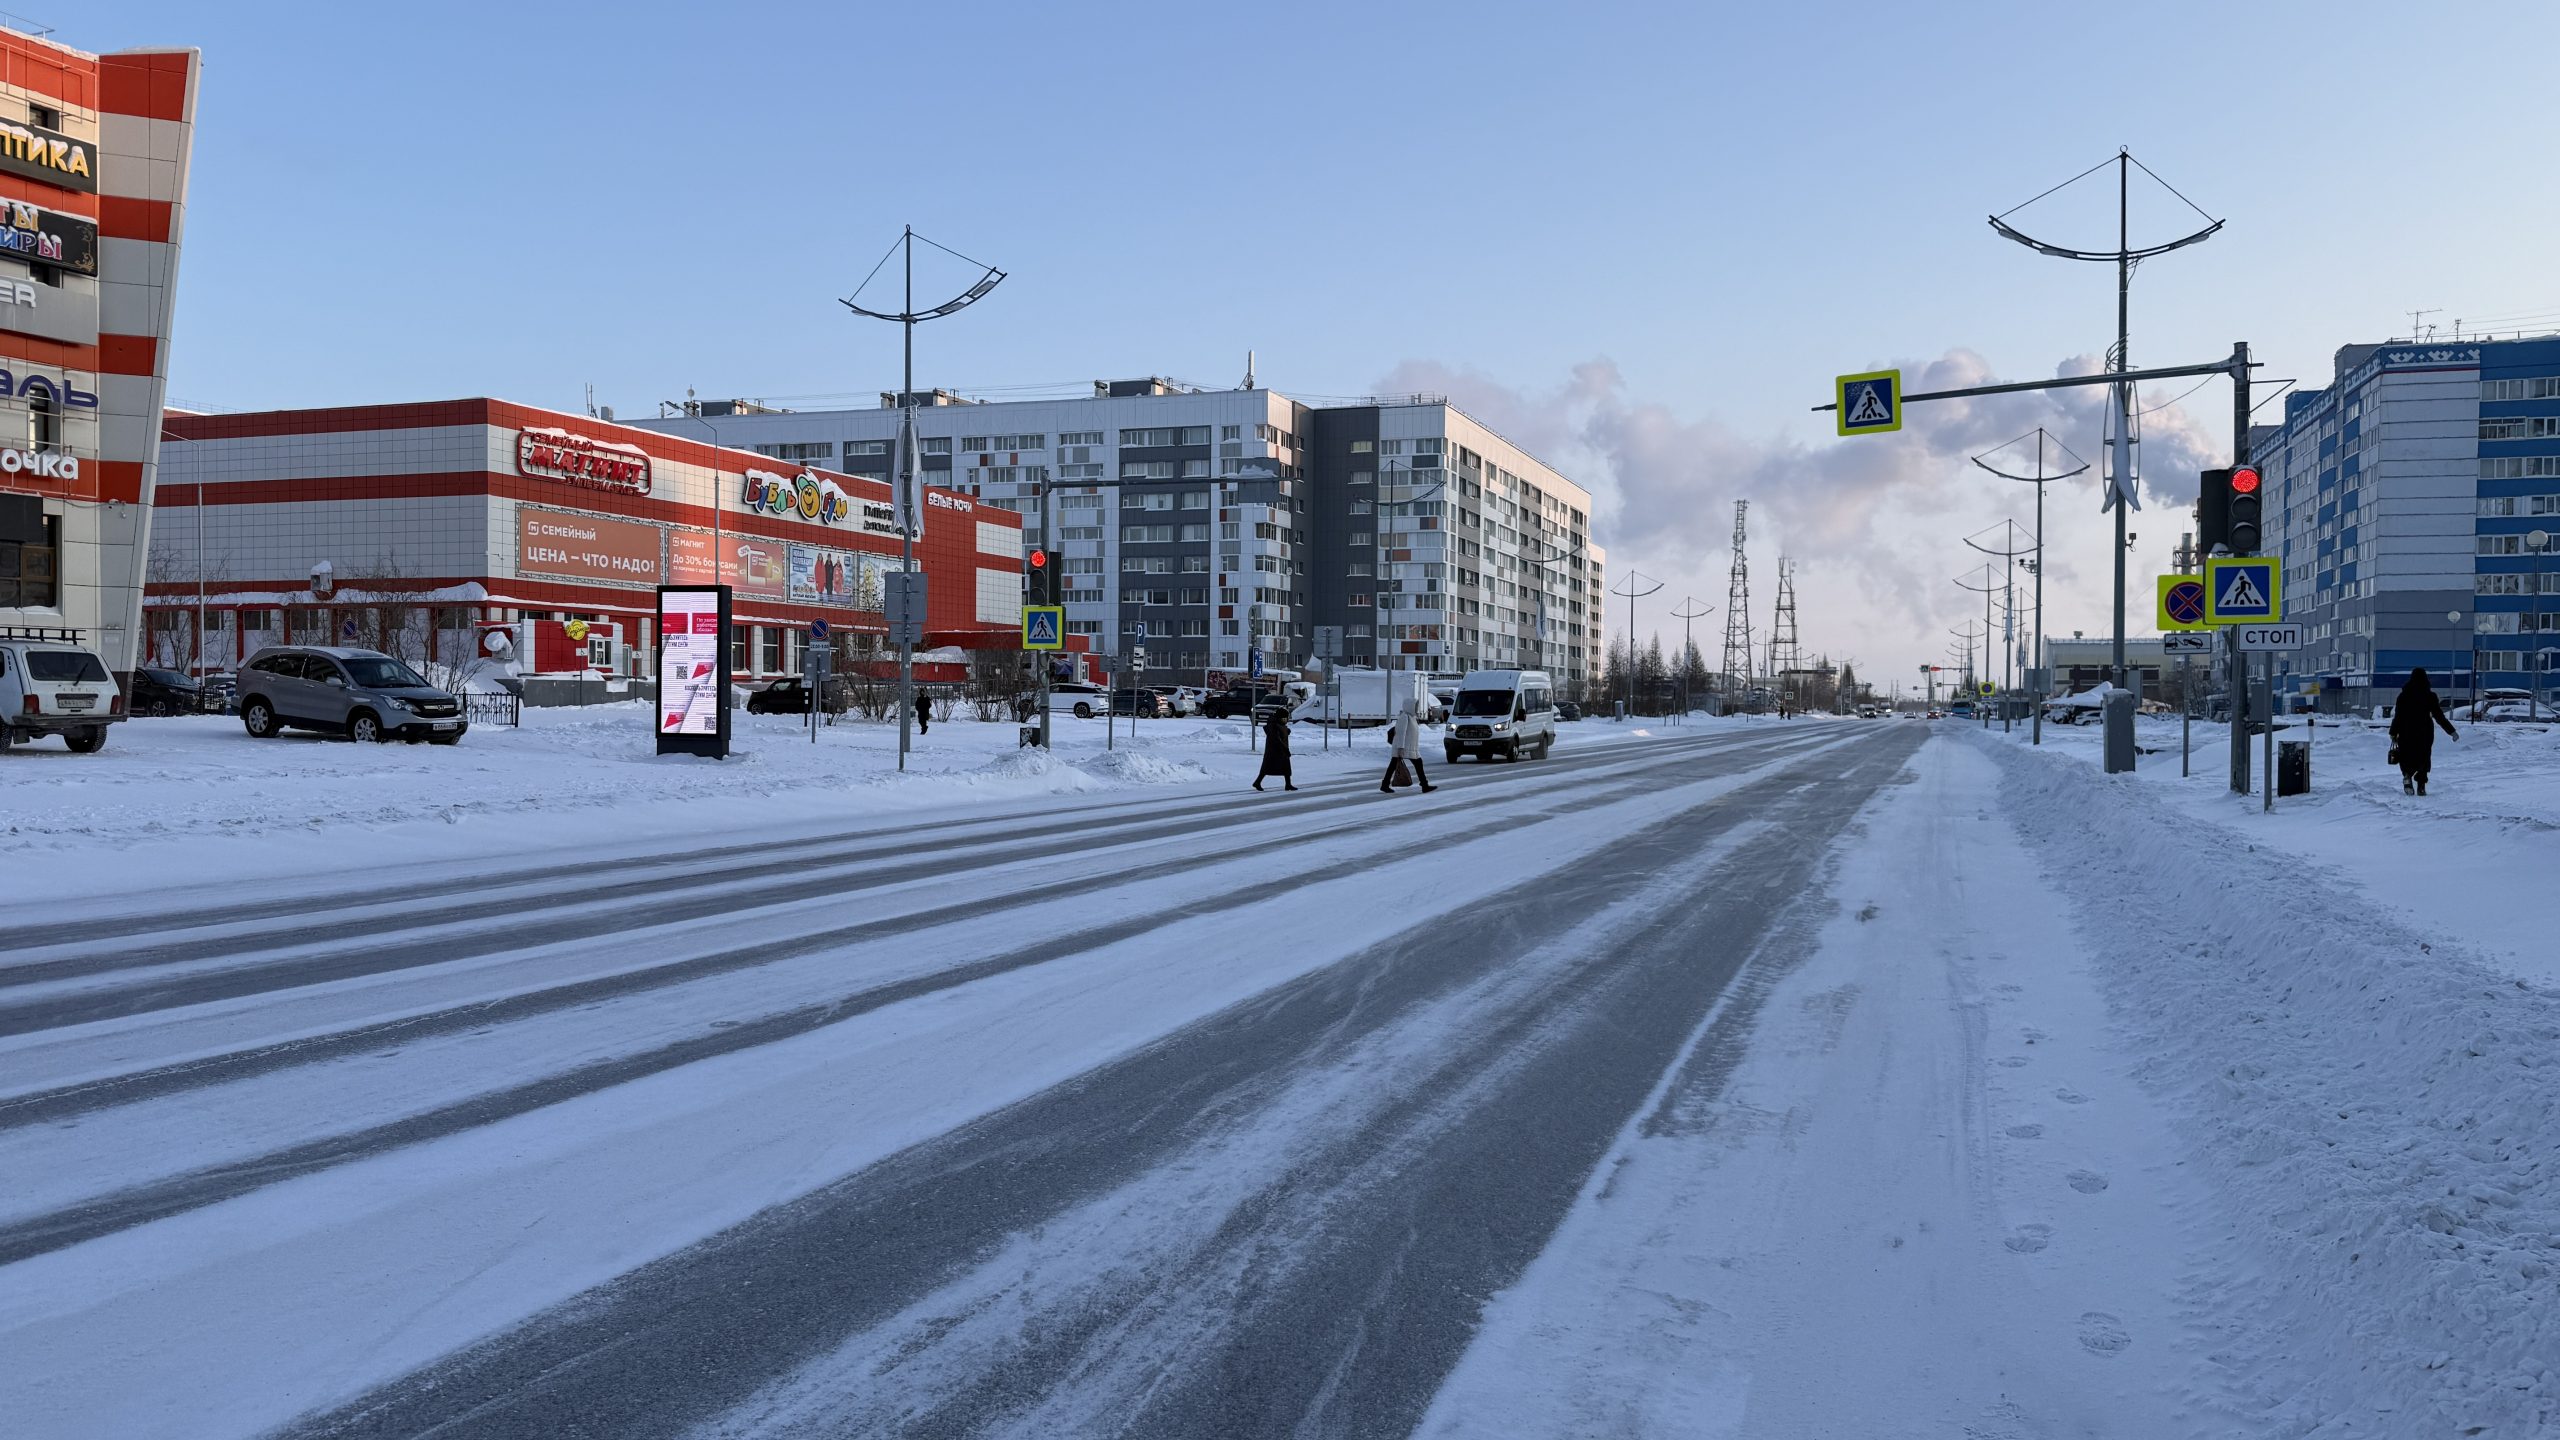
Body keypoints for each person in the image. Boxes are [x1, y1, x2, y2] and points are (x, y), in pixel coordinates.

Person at [2388, 667, 2457, 795]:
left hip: (2406, 731)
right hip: (2424, 732)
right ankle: (2421, 786)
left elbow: (2398, 716)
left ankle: (2407, 775)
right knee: (2424, 758)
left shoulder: (2403, 696)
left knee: (2405, 756)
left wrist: (2393, 732)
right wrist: (2451, 731)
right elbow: (2438, 716)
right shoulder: (2430, 696)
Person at [1380, 690, 1437, 795]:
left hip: (1411, 748)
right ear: (1409, 706)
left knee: (1414, 764)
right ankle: (1424, 785)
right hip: (1403, 747)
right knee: (1394, 765)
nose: (1416, 708)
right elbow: (1401, 733)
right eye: (1415, 706)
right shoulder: (1405, 717)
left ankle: (1424, 785)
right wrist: (1400, 748)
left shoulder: (1412, 718)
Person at [1252, 705, 1297, 792]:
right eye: (1284, 718)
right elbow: (1276, 739)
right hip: (1275, 752)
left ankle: (1288, 784)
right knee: (1267, 768)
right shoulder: (1274, 726)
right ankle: (1257, 782)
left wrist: (1286, 732)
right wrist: (1285, 749)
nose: (1286, 720)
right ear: (1280, 718)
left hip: (1279, 751)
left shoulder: (1279, 725)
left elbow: (1281, 735)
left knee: (1285, 768)